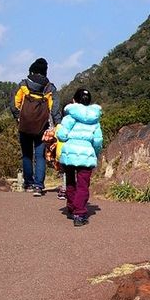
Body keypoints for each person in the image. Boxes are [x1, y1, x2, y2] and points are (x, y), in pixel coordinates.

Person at [11, 57, 60, 196]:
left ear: (32, 70)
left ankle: (29, 184)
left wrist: (19, 118)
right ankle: (39, 186)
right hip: (42, 126)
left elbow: (14, 104)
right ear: (45, 71)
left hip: (25, 125)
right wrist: (58, 125)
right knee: (40, 156)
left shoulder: (23, 84)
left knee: (26, 155)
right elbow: (54, 108)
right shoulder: (49, 87)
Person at [56, 88, 102, 227]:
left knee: (70, 182)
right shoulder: (95, 120)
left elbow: (61, 135)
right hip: (86, 155)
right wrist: (95, 152)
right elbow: (98, 141)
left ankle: (71, 207)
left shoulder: (70, 117)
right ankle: (80, 213)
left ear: (74, 100)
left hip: (70, 153)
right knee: (83, 185)